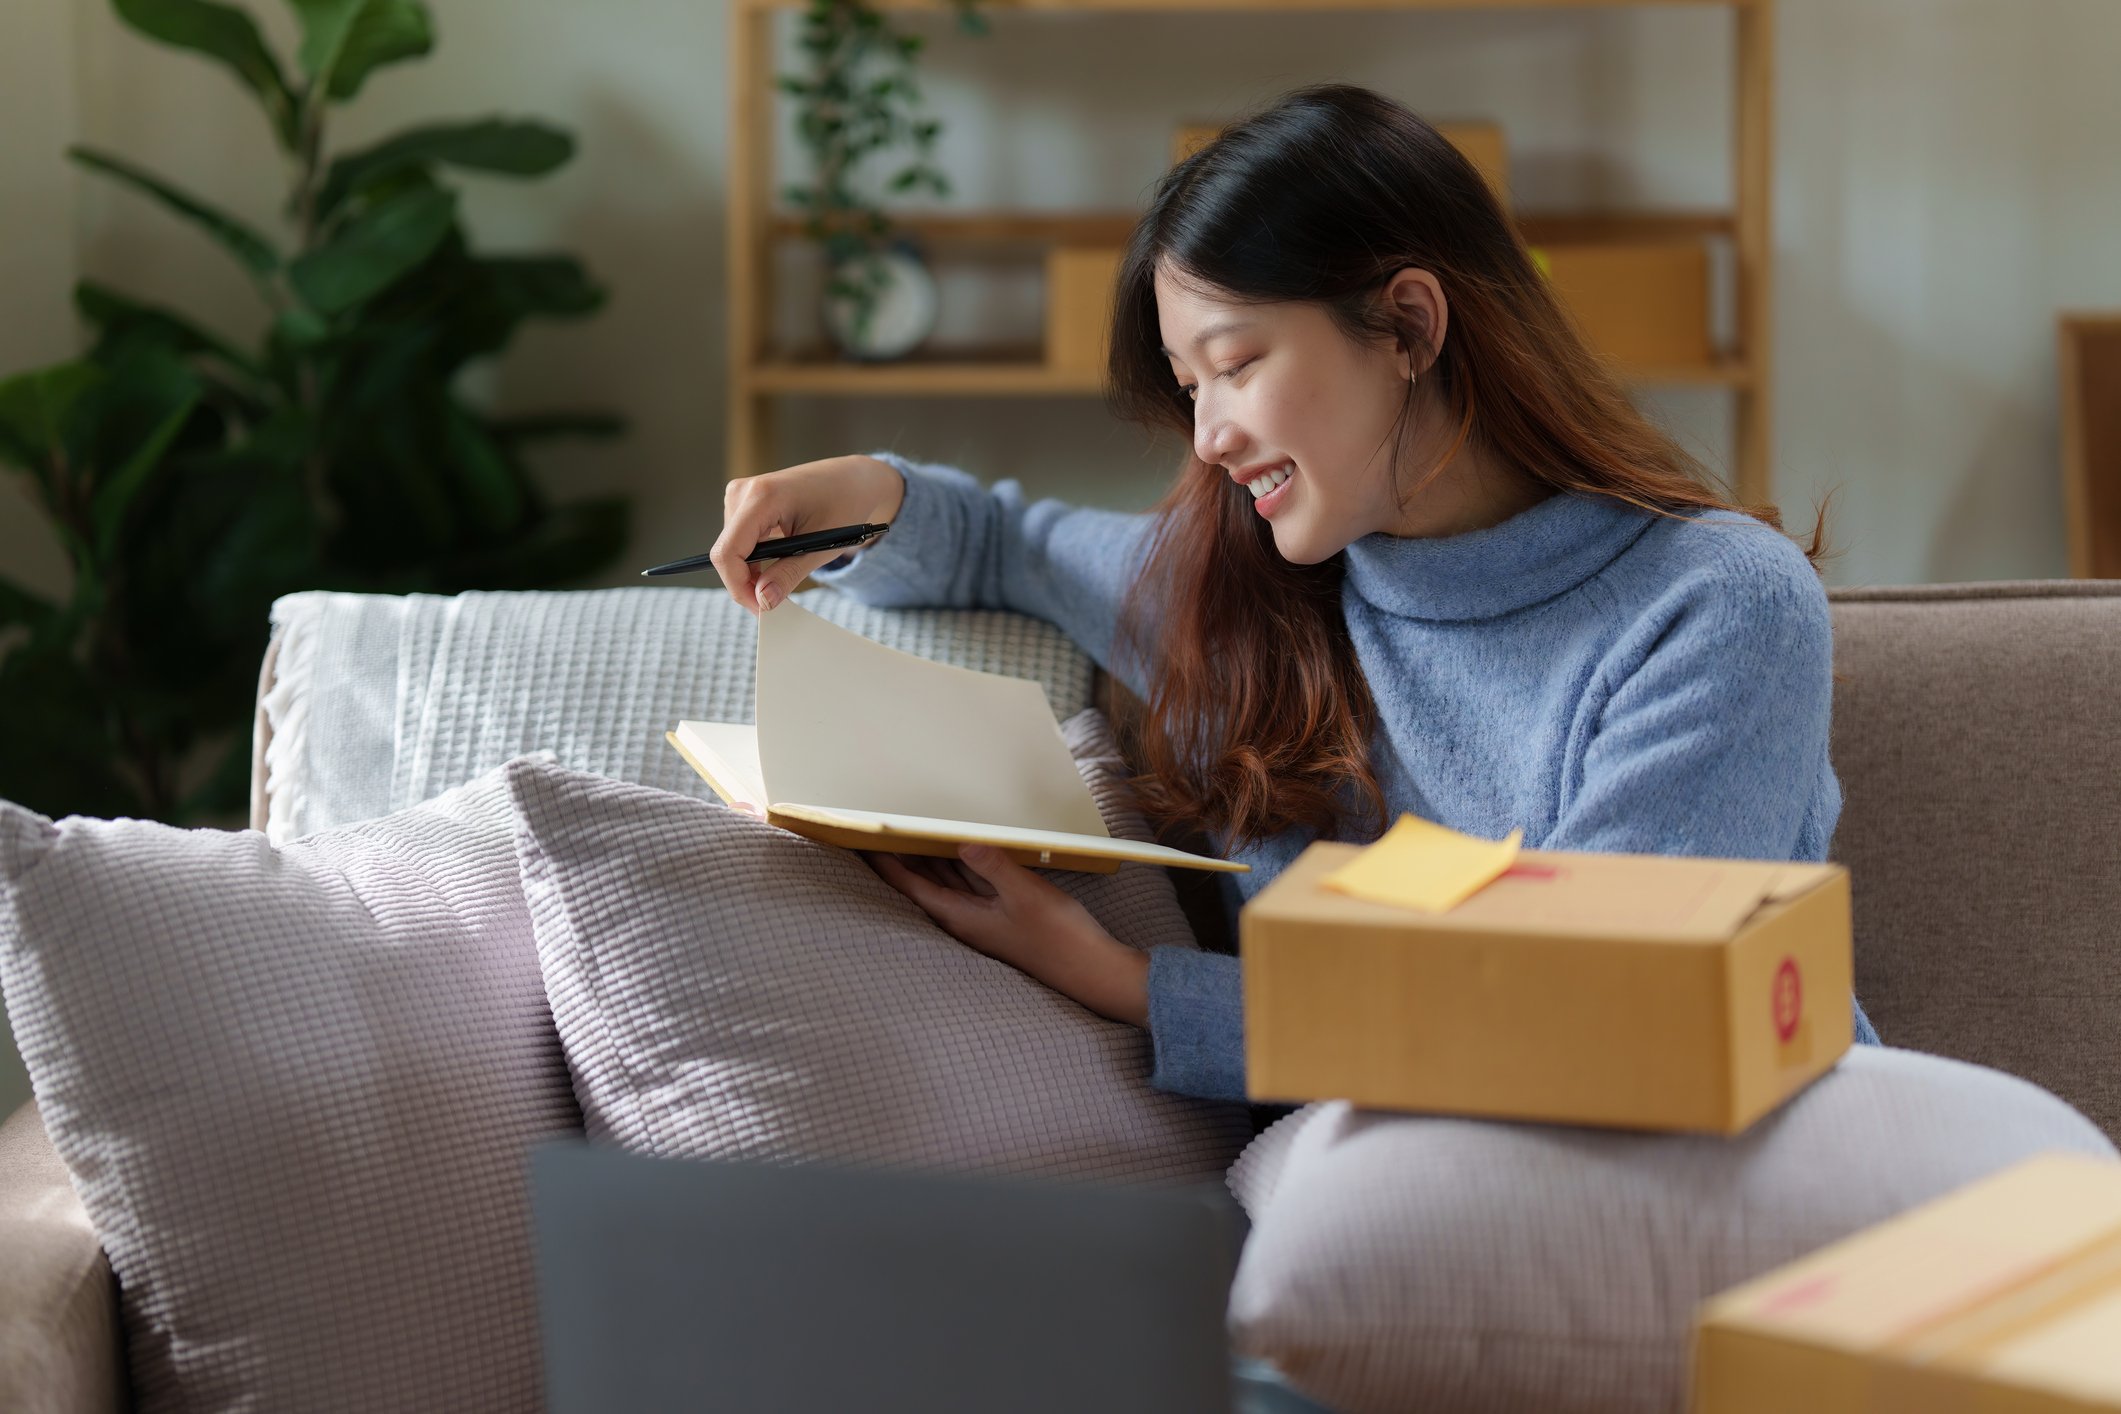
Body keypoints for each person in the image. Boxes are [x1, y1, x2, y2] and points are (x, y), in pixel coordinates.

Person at [710, 83, 1881, 1107]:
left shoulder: (1717, 608)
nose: (1208, 435)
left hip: (1726, 1183)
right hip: (1397, 1201)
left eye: (1238, 363)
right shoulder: (1240, 594)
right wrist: (854, 497)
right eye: (1186, 384)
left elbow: (1592, 1021)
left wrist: (1125, 982)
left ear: (1410, 325)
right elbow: (1000, 544)